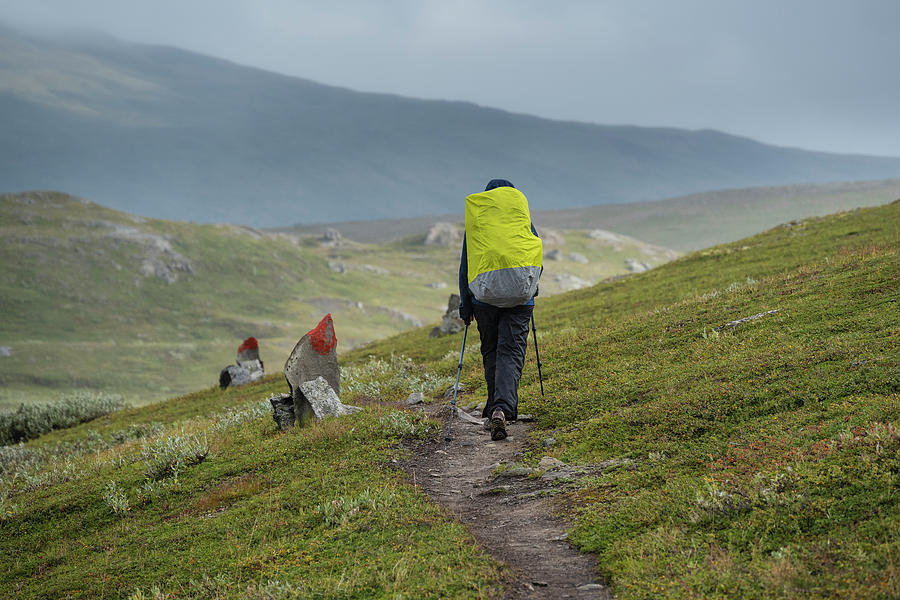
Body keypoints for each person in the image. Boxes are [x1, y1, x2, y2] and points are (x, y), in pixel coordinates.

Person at [458, 179, 541, 441]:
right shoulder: (521, 218)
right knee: (511, 351)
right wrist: (532, 289)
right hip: (520, 299)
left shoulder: (478, 222)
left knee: (491, 349)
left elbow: (465, 266)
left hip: (485, 298)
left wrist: (465, 304)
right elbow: (534, 253)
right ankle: (503, 409)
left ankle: (494, 405)